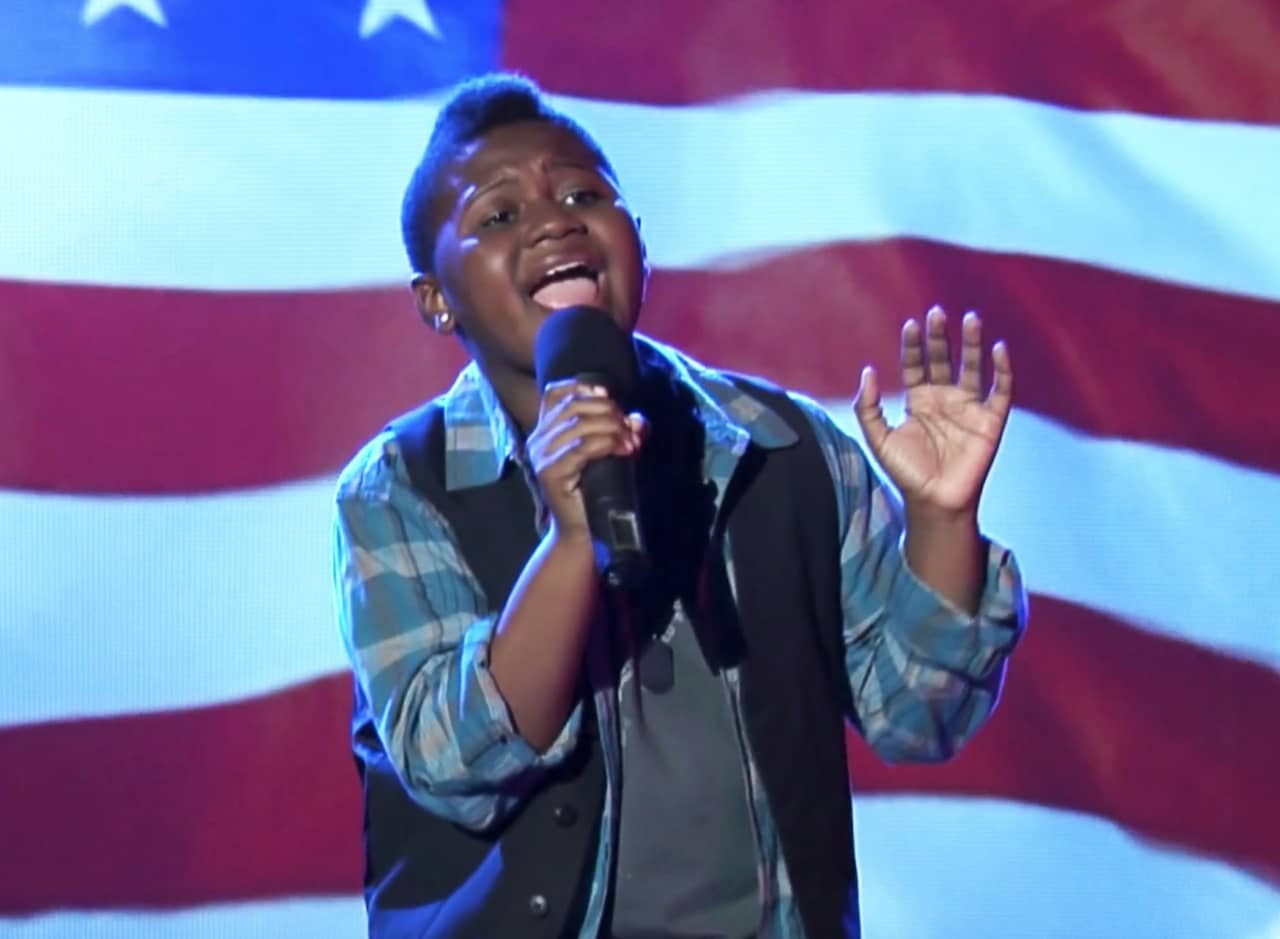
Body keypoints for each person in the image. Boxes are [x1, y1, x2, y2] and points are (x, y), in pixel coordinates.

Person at [332, 72, 1028, 939]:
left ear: (639, 240)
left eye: (586, 193)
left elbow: (920, 715)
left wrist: (941, 522)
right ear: (436, 299)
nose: (555, 220)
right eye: (499, 216)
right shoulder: (399, 485)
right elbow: (450, 763)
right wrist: (572, 536)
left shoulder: (779, 445)